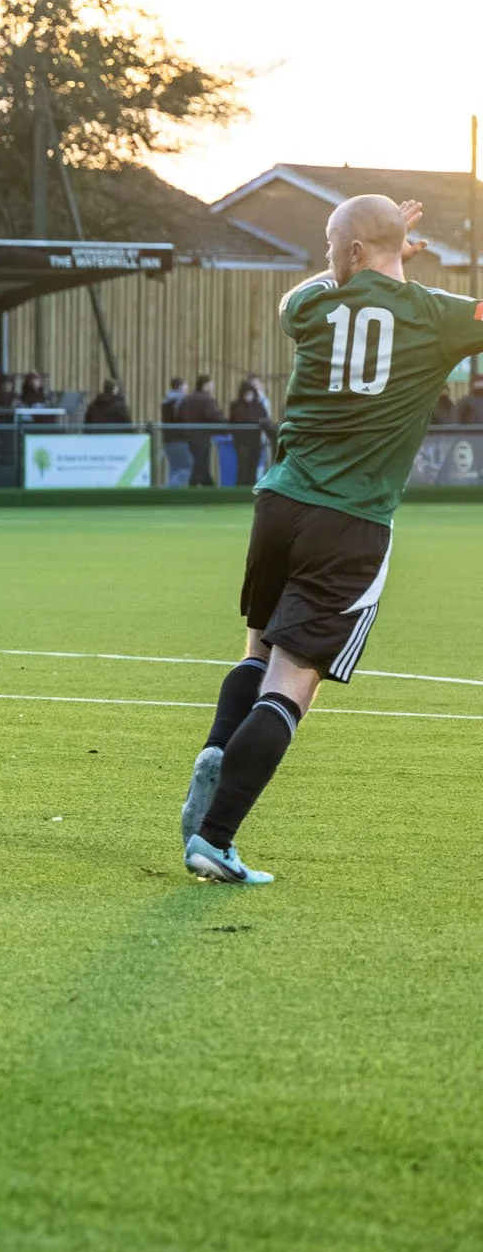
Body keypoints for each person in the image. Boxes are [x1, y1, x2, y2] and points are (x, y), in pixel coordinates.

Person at [178, 195, 483, 885]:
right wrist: (401, 267)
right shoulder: (436, 315)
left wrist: (378, 254)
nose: (323, 257)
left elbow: (305, 292)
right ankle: (216, 839)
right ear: (388, 245)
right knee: (292, 687)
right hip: (351, 520)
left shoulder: (311, 308)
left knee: (257, 650)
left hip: (279, 503)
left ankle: (216, 750)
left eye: (327, 245)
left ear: (348, 253)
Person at [175, 375, 225, 486]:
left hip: (188, 435)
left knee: (199, 462)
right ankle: (194, 486)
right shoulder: (207, 399)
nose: (213, 387)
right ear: (205, 385)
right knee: (201, 463)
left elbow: (178, 416)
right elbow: (214, 415)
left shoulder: (187, 399)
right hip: (202, 435)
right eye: (211, 384)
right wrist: (226, 422)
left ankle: (208, 485)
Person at [227, 378, 273, 486]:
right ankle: (241, 488)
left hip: (255, 441)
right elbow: (235, 419)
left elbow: (265, 419)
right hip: (241, 441)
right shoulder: (236, 405)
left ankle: (250, 487)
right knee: (243, 466)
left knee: (253, 465)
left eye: (250, 393)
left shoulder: (258, 406)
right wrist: (257, 421)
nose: (248, 396)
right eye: (246, 394)